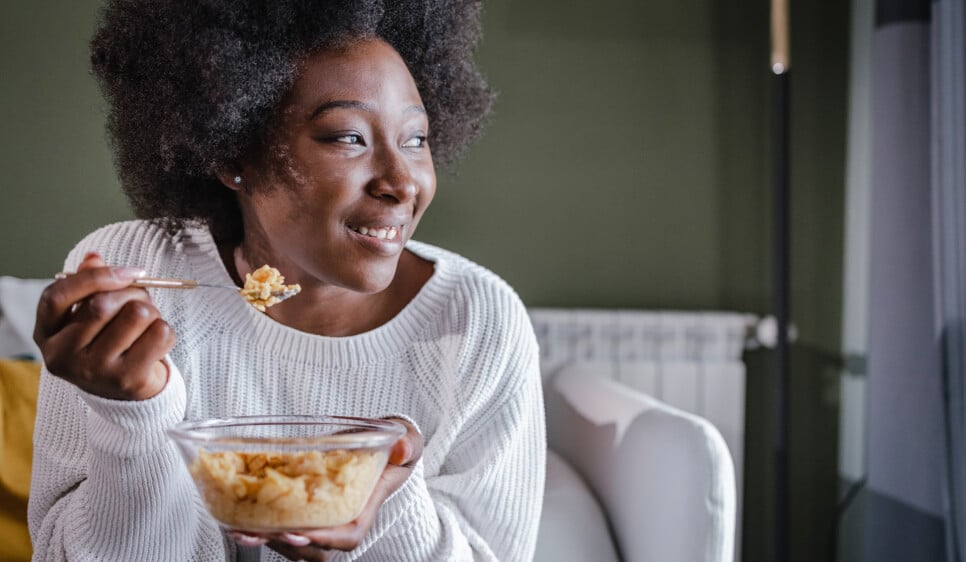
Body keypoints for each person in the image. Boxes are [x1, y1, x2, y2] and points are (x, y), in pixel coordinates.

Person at [28, 1, 546, 560]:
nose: (402, 182)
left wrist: (385, 481)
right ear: (233, 154)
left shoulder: (479, 322)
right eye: (348, 137)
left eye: (416, 139)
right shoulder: (134, 283)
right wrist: (133, 416)